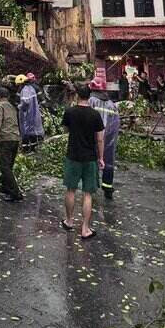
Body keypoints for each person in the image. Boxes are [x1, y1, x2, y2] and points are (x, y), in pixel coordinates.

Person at [61, 84, 104, 240]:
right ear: (89, 96)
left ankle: (69, 220)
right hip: (90, 157)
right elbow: (100, 139)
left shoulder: (69, 112)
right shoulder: (95, 115)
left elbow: (66, 130)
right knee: (87, 194)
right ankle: (85, 229)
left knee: (70, 190)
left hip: (73, 155)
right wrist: (101, 158)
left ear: (78, 95)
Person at [89, 79, 121, 200]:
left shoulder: (91, 101)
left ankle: (92, 187)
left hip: (93, 137)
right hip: (109, 139)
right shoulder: (112, 105)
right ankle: (107, 188)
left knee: (93, 160)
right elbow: (117, 124)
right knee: (108, 162)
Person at [0, 87, 23, 201]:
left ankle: (16, 193)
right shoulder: (12, 106)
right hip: (15, 138)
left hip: (6, 138)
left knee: (4, 167)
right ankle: (6, 187)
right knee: (9, 165)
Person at [17, 74, 44, 148]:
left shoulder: (25, 89)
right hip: (34, 113)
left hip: (27, 114)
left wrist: (20, 106)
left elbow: (25, 102)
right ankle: (33, 147)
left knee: (26, 130)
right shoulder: (31, 88)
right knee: (33, 130)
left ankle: (25, 147)